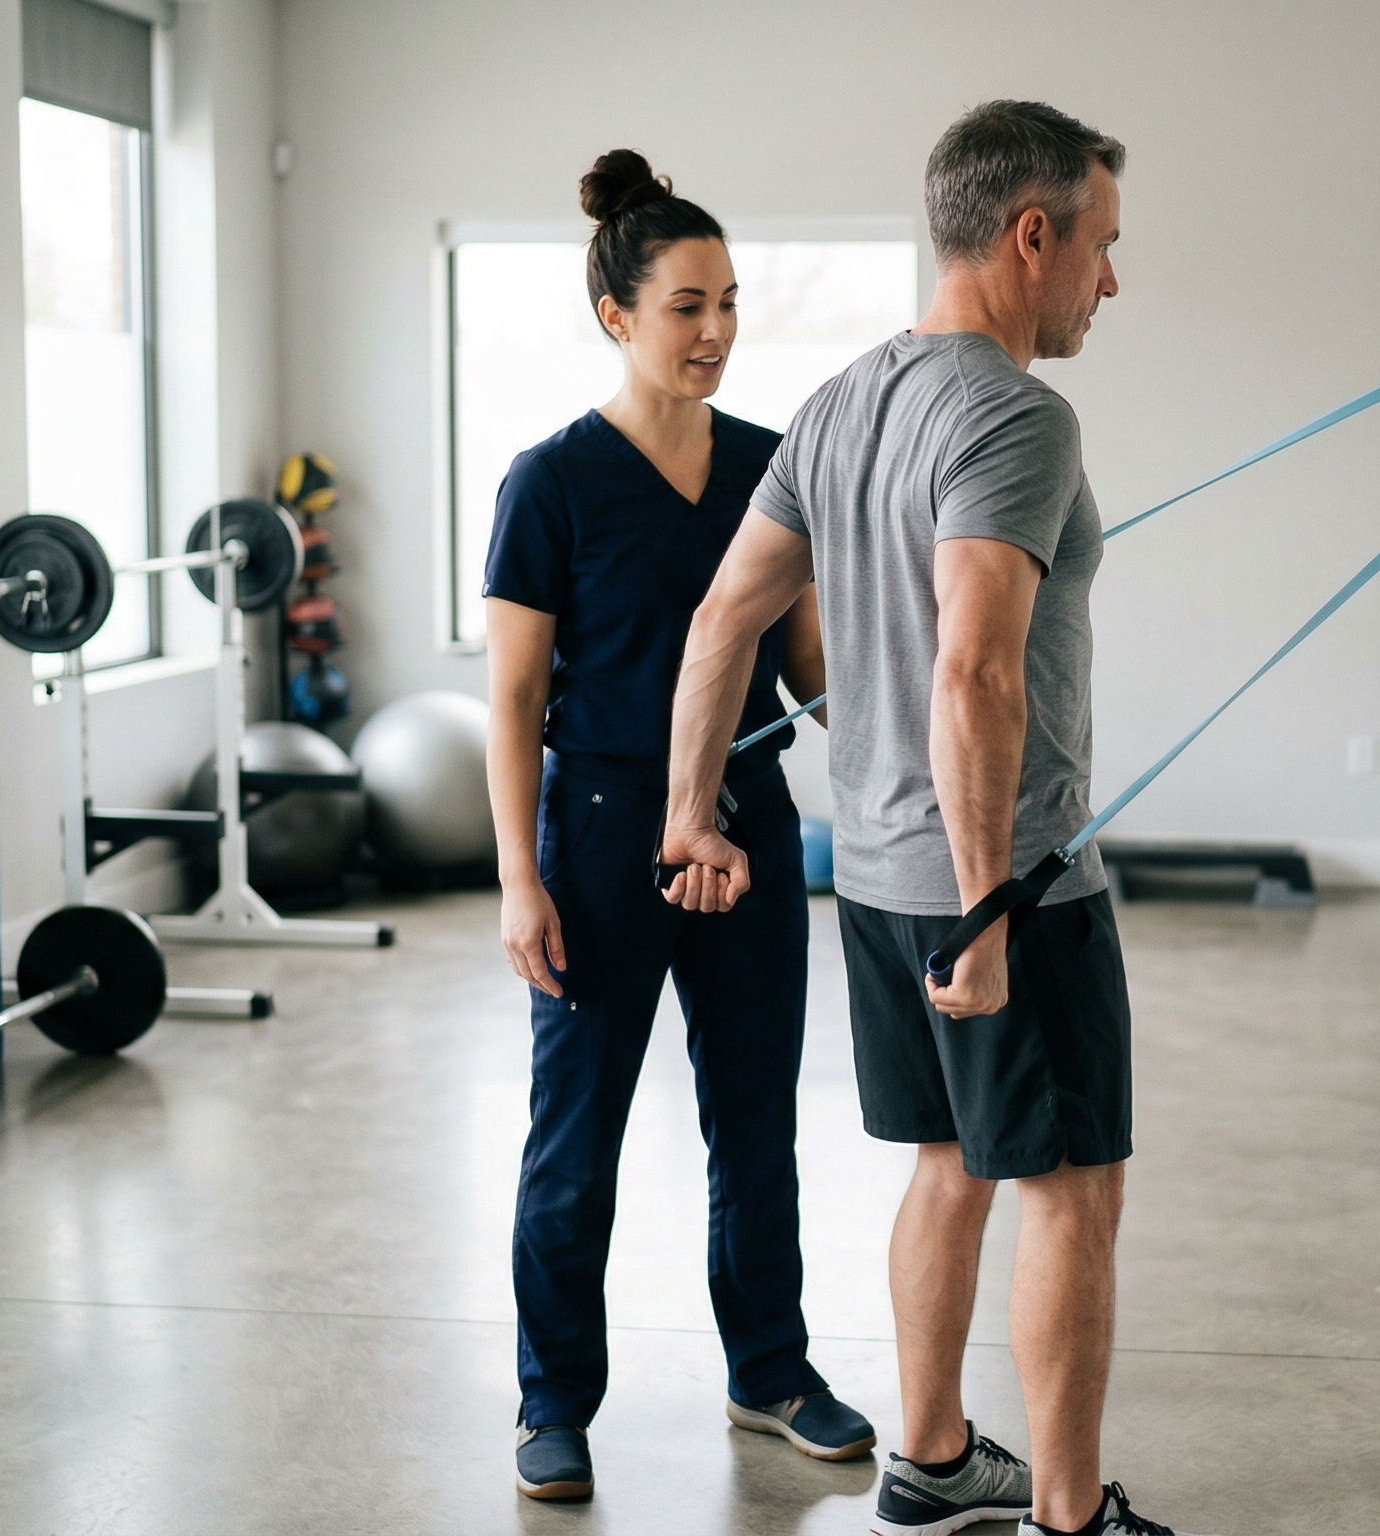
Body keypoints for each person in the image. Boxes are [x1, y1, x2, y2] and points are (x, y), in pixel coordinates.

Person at [660, 103, 1215, 1536]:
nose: (1110, 278)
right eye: (1101, 244)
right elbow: (972, 668)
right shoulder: (1019, 414)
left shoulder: (841, 402)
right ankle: (1072, 1518)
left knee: (950, 1164)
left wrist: (689, 818)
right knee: (1073, 1193)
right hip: (1002, 884)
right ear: (1032, 234)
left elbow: (726, 616)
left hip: (883, 874)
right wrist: (987, 910)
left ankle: (929, 1455)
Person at [481, 148, 872, 1504]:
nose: (713, 332)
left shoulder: (775, 467)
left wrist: (919, 685)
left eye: (729, 304)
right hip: (594, 833)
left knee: (756, 1119)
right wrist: (520, 880)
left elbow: (814, 675)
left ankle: (770, 1369)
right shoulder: (550, 483)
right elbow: (515, 698)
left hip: (749, 825)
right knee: (574, 1138)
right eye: (684, 306)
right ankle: (551, 1400)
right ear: (615, 316)